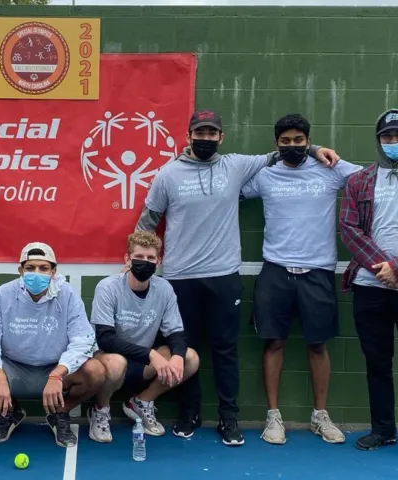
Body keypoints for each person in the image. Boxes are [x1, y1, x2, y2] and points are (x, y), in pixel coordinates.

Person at [136, 110, 339, 446]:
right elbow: (147, 221)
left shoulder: (236, 165)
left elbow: (284, 152)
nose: (205, 139)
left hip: (224, 276)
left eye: (211, 133)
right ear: (188, 136)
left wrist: (315, 148)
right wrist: (138, 261)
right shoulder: (167, 174)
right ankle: (190, 413)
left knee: (225, 349)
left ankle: (228, 418)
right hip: (179, 278)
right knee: (184, 350)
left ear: (221, 137)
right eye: (198, 133)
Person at [241, 113, 361, 445]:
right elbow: (228, 189)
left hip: (318, 272)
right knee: (274, 343)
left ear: (308, 142)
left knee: (317, 345)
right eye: (285, 141)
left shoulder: (330, 169)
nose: (292, 146)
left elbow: (369, 178)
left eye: (299, 141)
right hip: (275, 271)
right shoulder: (265, 175)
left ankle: (319, 416)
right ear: (276, 144)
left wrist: (318, 151)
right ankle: (273, 417)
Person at [0, 242, 104, 448]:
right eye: (30, 268)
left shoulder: (68, 295)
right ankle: (10, 412)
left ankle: (60, 413)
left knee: (96, 370)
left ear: (53, 271)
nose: (36, 273)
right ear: (21, 270)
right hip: (13, 368)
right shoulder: (3, 295)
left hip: (55, 369)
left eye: (43, 268)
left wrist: (58, 373)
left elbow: (84, 340)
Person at [88, 231, 200, 443]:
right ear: (127, 259)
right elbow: (105, 339)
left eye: (150, 258)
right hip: (112, 364)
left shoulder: (164, 288)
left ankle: (141, 402)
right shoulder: (108, 287)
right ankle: (100, 410)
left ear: (158, 261)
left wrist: (177, 355)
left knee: (190, 358)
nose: (144, 262)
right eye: (139, 257)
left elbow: (175, 332)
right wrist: (150, 354)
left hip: (144, 366)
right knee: (115, 362)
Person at [340, 108, 398, 451]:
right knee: (377, 363)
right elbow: (349, 229)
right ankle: (384, 429)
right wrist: (385, 268)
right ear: (378, 141)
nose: (393, 143)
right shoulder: (359, 180)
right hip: (370, 288)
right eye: (387, 137)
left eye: (397, 136)